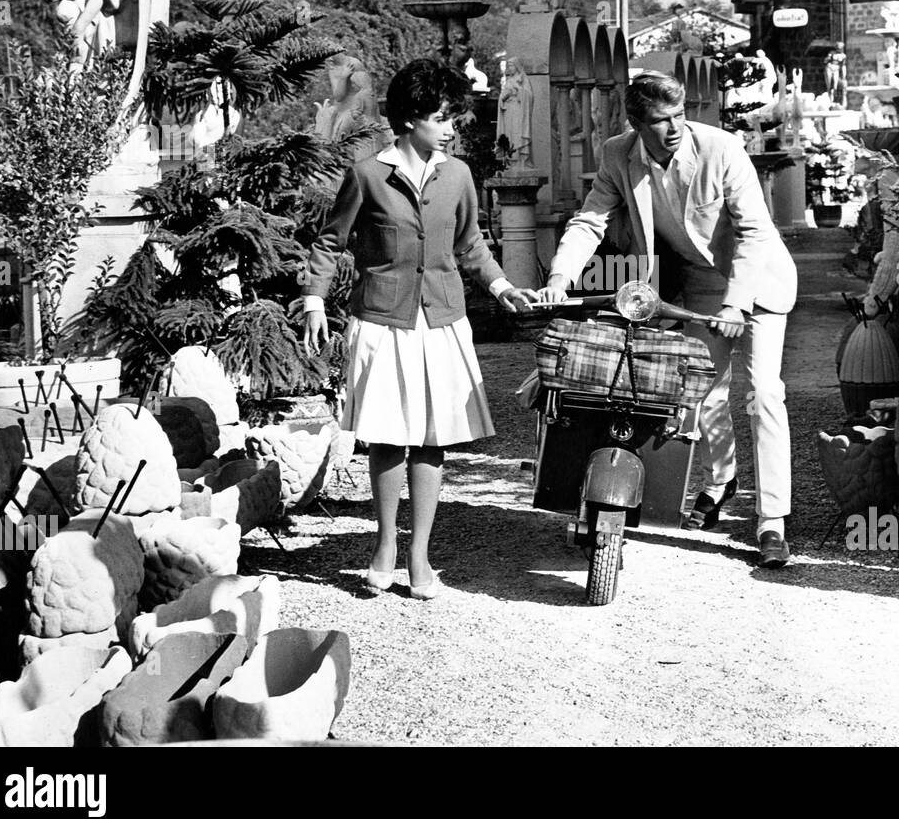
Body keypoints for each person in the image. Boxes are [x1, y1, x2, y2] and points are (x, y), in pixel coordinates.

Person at [537, 71, 798, 567]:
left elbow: (753, 233)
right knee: (703, 392)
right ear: (637, 123)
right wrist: (559, 278)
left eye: (680, 115)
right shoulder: (618, 153)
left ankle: (772, 521)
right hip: (698, 288)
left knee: (764, 392)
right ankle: (720, 483)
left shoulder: (721, 149)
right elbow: (590, 220)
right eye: (662, 120)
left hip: (757, 283)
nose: (676, 127)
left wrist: (735, 304)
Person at [301, 58, 536, 599]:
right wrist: (314, 298)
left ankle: (419, 556)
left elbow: (471, 245)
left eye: (452, 115)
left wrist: (502, 288)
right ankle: (383, 545)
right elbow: (330, 242)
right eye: (440, 116)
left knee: (431, 441)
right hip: (382, 321)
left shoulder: (458, 175)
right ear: (408, 119)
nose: (451, 127)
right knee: (386, 437)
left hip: (442, 321)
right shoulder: (367, 174)